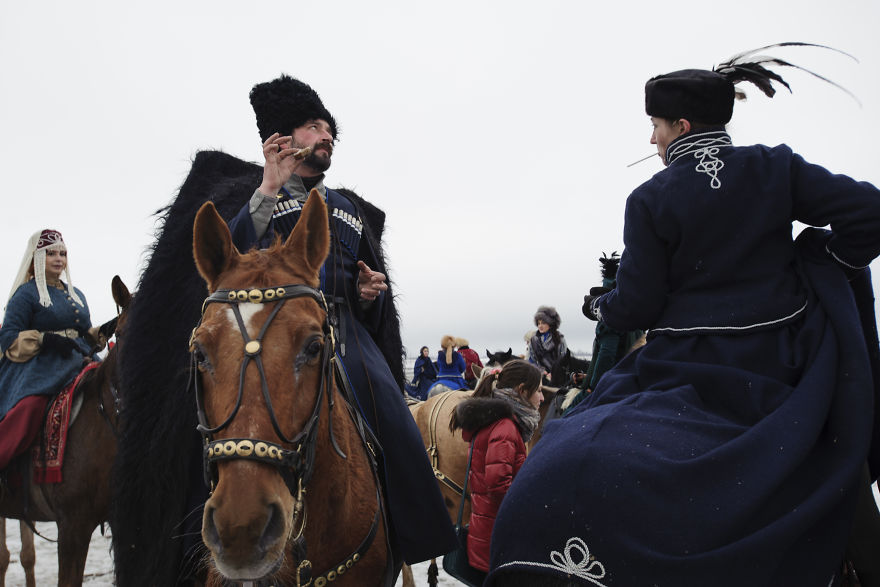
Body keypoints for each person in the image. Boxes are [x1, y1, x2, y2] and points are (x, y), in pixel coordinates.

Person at [487, 45, 880, 586]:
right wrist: (822, 259)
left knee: (573, 433)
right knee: (836, 449)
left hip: (683, 365)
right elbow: (870, 214)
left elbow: (639, 306)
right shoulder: (776, 166)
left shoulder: (651, 197)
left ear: (681, 125)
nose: (651, 139)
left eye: (655, 126)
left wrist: (601, 304)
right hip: (781, 363)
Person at [224, 75, 456, 567]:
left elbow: (366, 289)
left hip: (349, 335)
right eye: (314, 127)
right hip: (276, 336)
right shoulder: (257, 197)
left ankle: (404, 539)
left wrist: (369, 295)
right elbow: (234, 257)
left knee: (397, 422)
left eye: (330, 131)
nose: (327, 136)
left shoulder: (349, 208)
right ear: (282, 140)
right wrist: (268, 185)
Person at [0, 230, 103, 473]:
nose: (59, 259)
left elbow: (85, 332)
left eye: (63, 254)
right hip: (41, 366)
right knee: (30, 409)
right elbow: (8, 337)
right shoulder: (25, 294)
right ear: (37, 258)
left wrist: (103, 331)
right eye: (51, 254)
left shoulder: (77, 294)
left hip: (79, 359)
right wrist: (44, 339)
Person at [449, 359, 543, 580]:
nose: (542, 397)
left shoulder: (497, 422)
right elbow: (498, 485)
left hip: (489, 532)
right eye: (538, 390)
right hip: (497, 537)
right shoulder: (506, 427)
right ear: (522, 390)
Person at [563, 252, 645, 415]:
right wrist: (586, 376)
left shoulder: (609, 320)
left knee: (564, 420)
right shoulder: (637, 321)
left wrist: (592, 387)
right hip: (628, 384)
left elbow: (607, 355)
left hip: (606, 388)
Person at [527, 306, 568, 383]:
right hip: (539, 376)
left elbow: (564, 359)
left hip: (558, 377)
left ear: (550, 323)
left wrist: (554, 373)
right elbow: (530, 360)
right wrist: (540, 371)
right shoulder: (533, 340)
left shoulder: (559, 339)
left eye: (543, 323)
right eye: (538, 323)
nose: (540, 326)